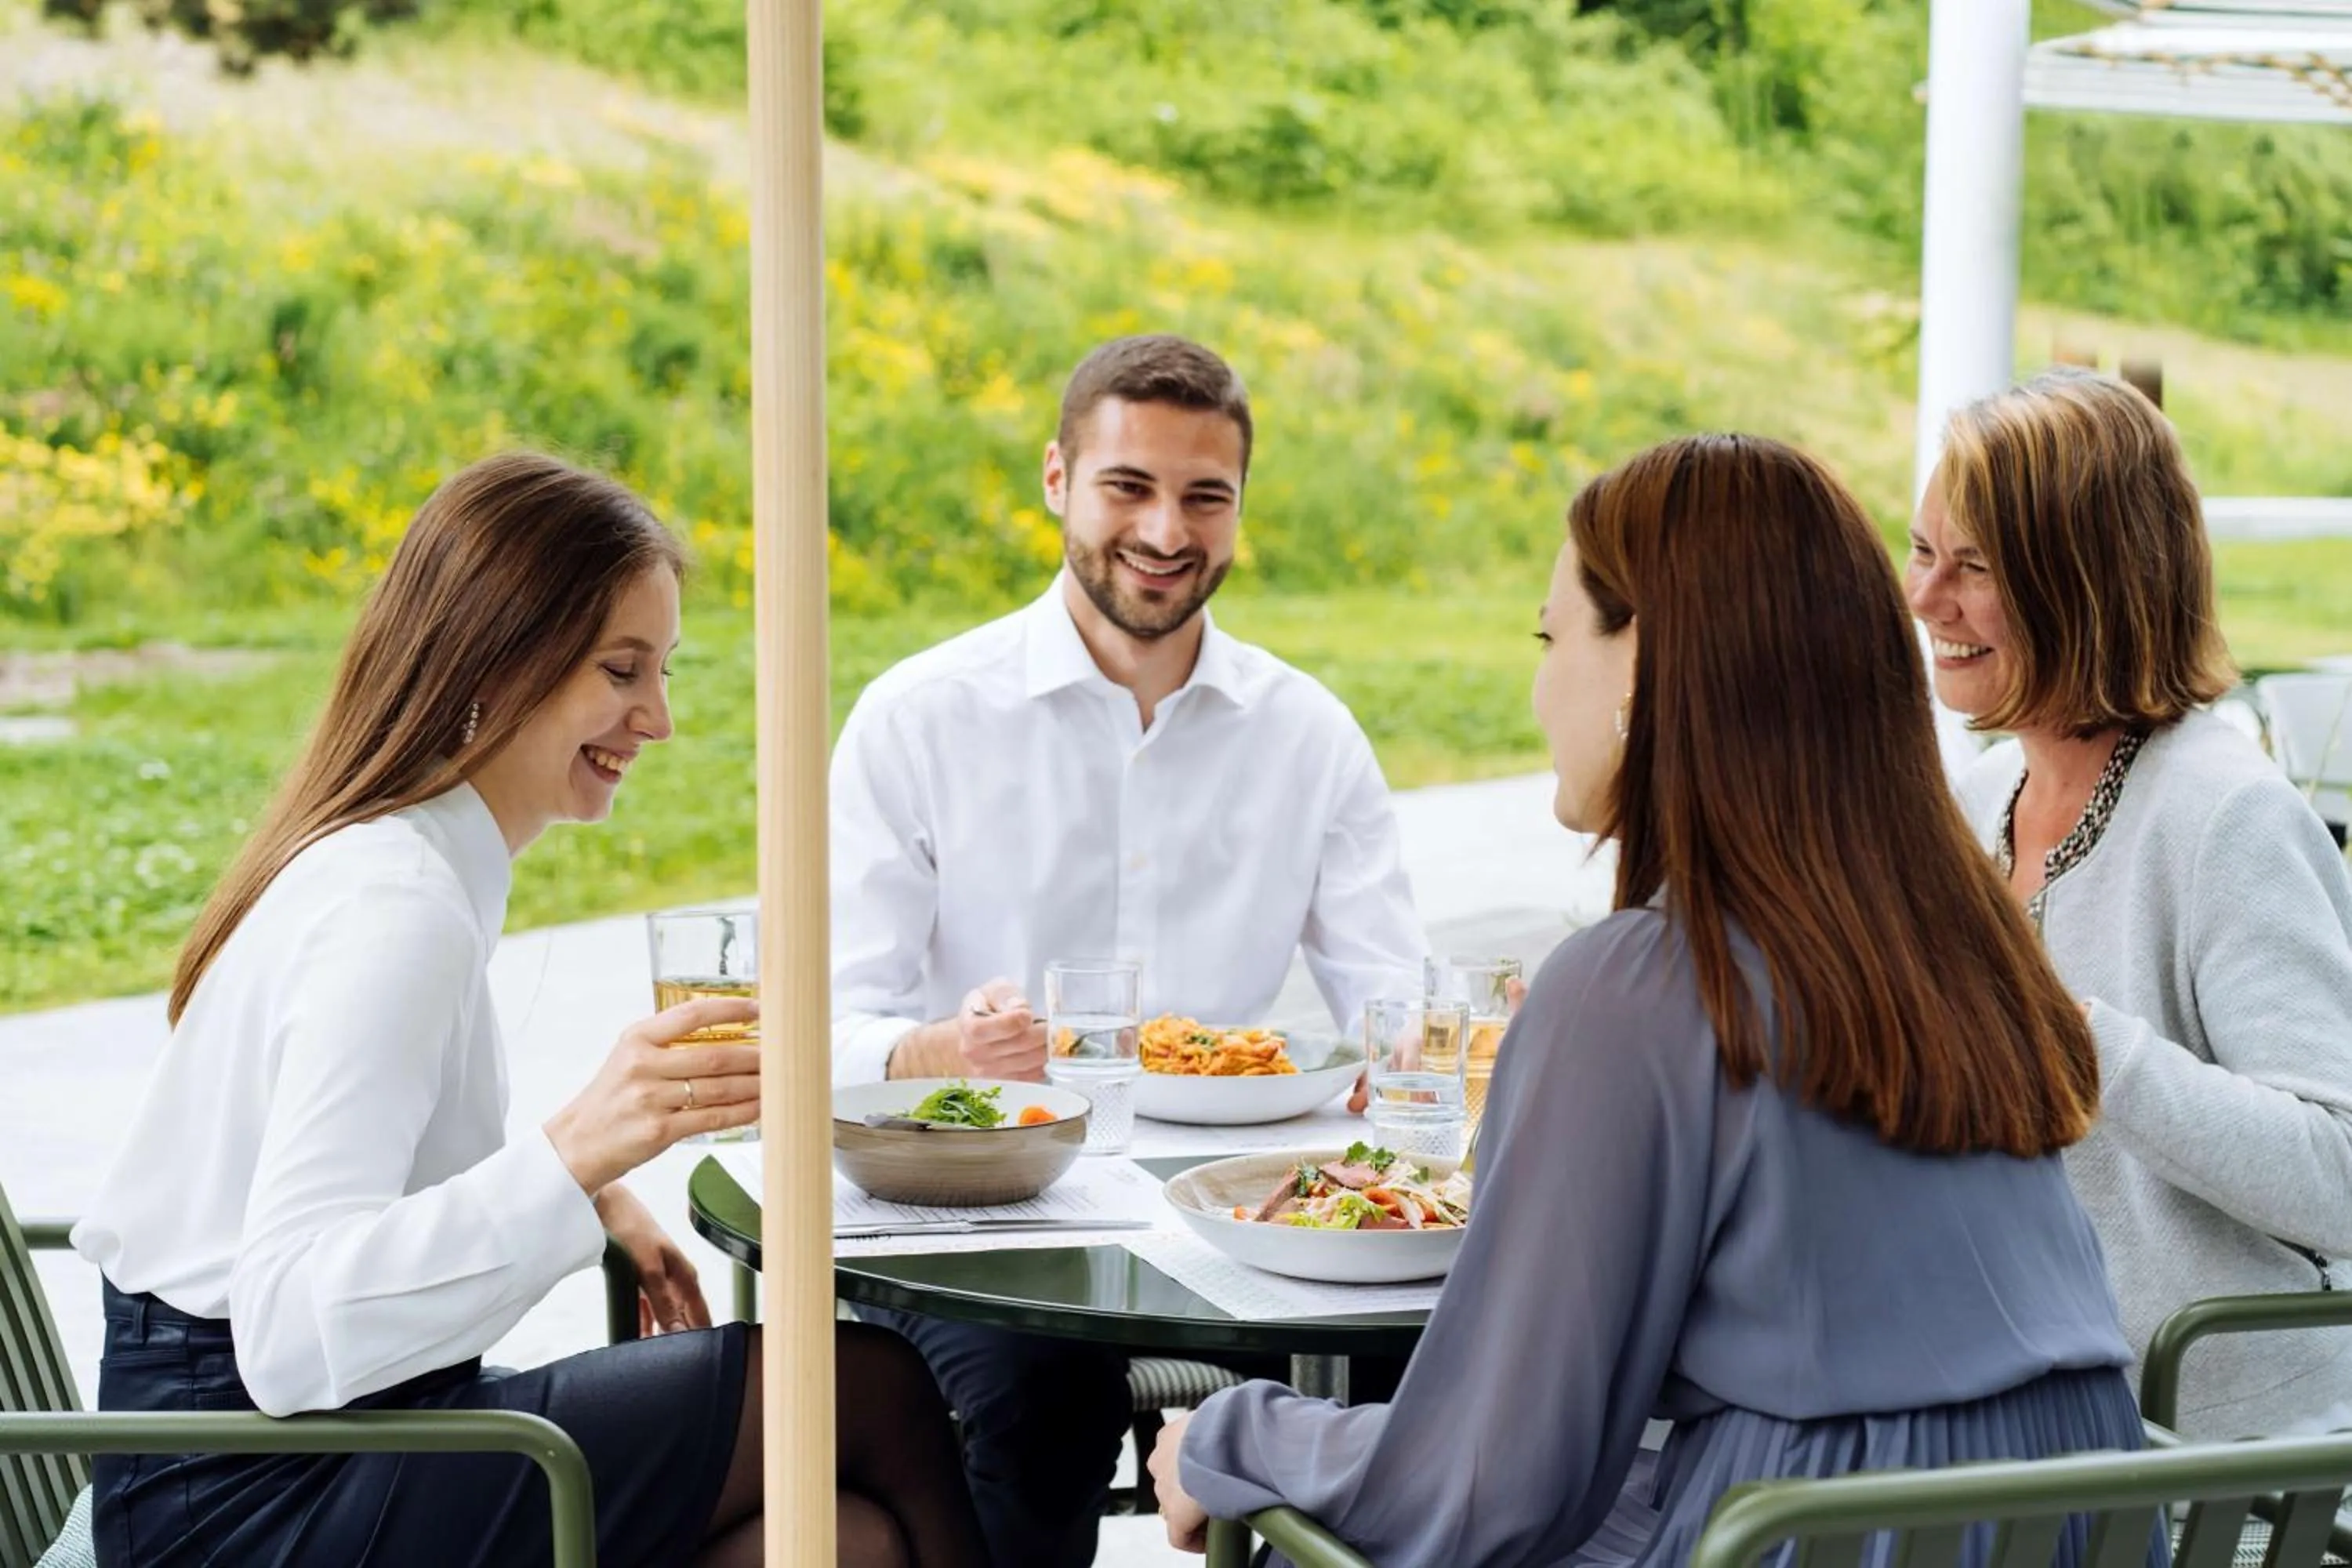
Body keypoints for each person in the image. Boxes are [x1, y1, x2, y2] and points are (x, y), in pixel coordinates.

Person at [1147, 434, 2151, 1566]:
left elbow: (1491, 1484)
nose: (1537, 684)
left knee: (1298, 1543)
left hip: (1813, 1534)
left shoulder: (1649, 983)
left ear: (1643, 664)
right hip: (2079, 1517)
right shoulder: (1966, 944)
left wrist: (1232, 1436)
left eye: (1548, 635)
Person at [72, 453, 986, 1568]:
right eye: (623, 669)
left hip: (285, 1449)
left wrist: (592, 1197)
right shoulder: (395, 907)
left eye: (664, 670)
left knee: (847, 1541)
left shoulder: (397, 864)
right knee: (862, 1386)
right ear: (497, 663)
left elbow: (343, 1193)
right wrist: (572, 1154)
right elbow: (287, 1332)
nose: (658, 718)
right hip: (246, 1495)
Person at [829, 334, 1427, 1566]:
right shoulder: (921, 717)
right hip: (991, 1213)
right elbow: (826, 1028)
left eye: (1206, 497)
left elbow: (1399, 1014)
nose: (1167, 531)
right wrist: (937, 1047)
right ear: (1057, 478)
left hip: (1234, 1213)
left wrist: (1419, 1051)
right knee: (1034, 1408)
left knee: (1416, 1372)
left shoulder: (1309, 735)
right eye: (1129, 488)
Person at [1909, 366, 2352, 1438]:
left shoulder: (2222, 816)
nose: (1926, 598)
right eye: (1924, 552)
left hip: (2203, 1464)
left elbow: (2337, 1174)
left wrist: (2078, 1041)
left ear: (2086, 582)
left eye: (1975, 566)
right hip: (2019, 1410)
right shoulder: (1975, 804)